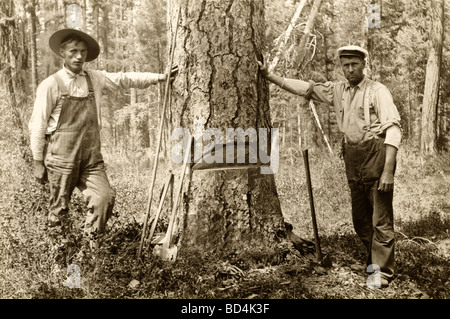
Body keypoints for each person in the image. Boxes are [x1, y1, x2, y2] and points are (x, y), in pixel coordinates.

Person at [258, 45, 402, 288]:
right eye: (345, 65)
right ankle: (372, 261)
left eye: (354, 64)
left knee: (380, 218)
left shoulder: (378, 91)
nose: (350, 69)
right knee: (360, 220)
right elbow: (306, 88)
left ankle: (382, 271)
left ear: (363, 64)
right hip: (353, 157)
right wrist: (270, 76)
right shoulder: (339, 90)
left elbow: (394, 130)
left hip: (376, 156)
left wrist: (388, 171)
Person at [28, 28, 178, 249]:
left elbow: (124, 79)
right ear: (63, 53)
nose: (79, 56)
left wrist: (160, 78)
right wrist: (37, 161)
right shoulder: (51, 84)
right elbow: (38, 125)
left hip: (90, 158)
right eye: (73, 51)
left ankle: (88, 255)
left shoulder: (94, 79)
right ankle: (60, 263)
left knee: (104, 199)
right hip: (60, 159)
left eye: (83, 51)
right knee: (59, 210)